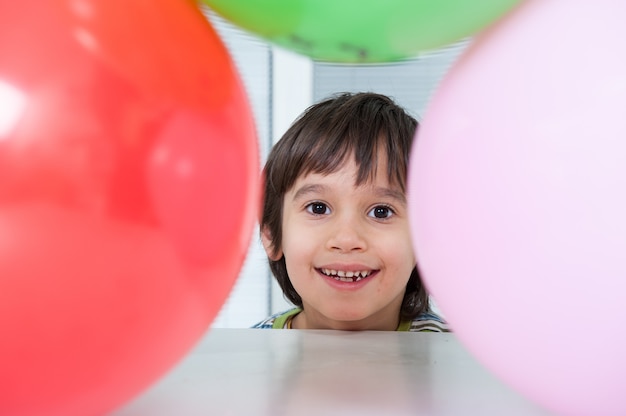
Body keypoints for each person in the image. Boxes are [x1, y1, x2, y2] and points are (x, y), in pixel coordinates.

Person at [253, 92, 448, 332]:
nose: (346, 240)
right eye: (318, 208)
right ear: (271, 234)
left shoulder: (458, 359)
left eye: (381, 212)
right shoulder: (248, 359)